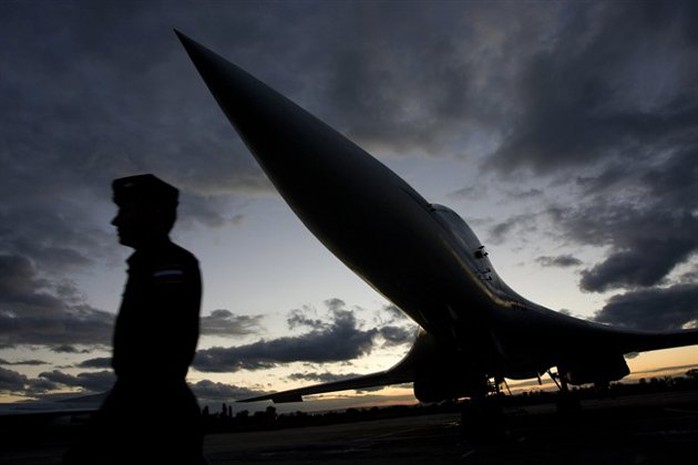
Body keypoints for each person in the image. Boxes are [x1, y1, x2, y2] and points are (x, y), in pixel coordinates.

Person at [64, 174, 205, 464]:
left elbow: (162, 348)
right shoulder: (151, 263)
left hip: (152, 409)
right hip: (146, 403)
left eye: (124, 210)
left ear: (154, 213)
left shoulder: (168, 264)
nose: (115, 221)